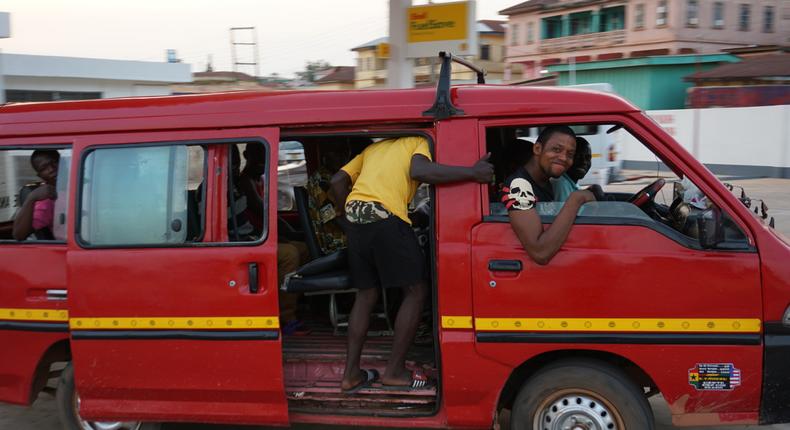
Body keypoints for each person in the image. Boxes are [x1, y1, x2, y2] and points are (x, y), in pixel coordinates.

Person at [331, 135, 493, 392]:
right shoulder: (418, 140)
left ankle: (350, 375)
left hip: (357, 218)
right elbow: (420, 170)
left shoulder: (374, 147)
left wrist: (346, 218)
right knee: (416, 292)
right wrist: (473, 172)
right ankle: (394, 372)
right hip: (386, 216)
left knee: (366, 294)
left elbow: (337, 181)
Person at [236, 143, 310, 334]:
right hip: (253, 240)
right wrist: (288, 234)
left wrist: (291, 234)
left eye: (265, 157)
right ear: (246, 155)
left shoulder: (258, 179)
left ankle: (290, 300)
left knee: (304, 249)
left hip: (260, 235)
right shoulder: (245, 181)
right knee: (290, 254)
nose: (262, 162)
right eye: (257, 157)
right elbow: (264, 212)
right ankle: (286, 317)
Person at [502, 126, 595, 266]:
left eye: (570, 154)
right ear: (538, 149)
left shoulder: (549, 182)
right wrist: (576, 199)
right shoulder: (519, 185)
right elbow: (540, 253)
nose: (564, 158)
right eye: (556, 150)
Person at [13, 150, 60, 241]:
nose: (51, 169)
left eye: (54, 162)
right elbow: (19, 234)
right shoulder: (47, 201)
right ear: (40, 175)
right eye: (44, 168)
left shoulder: (81, 183)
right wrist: (31, 198)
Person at [551, 136, 592, 202]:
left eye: (588, 158)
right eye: (578, 156)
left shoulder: (571, 183)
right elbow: (566, 212)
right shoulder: (560, 183)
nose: (584, 162)